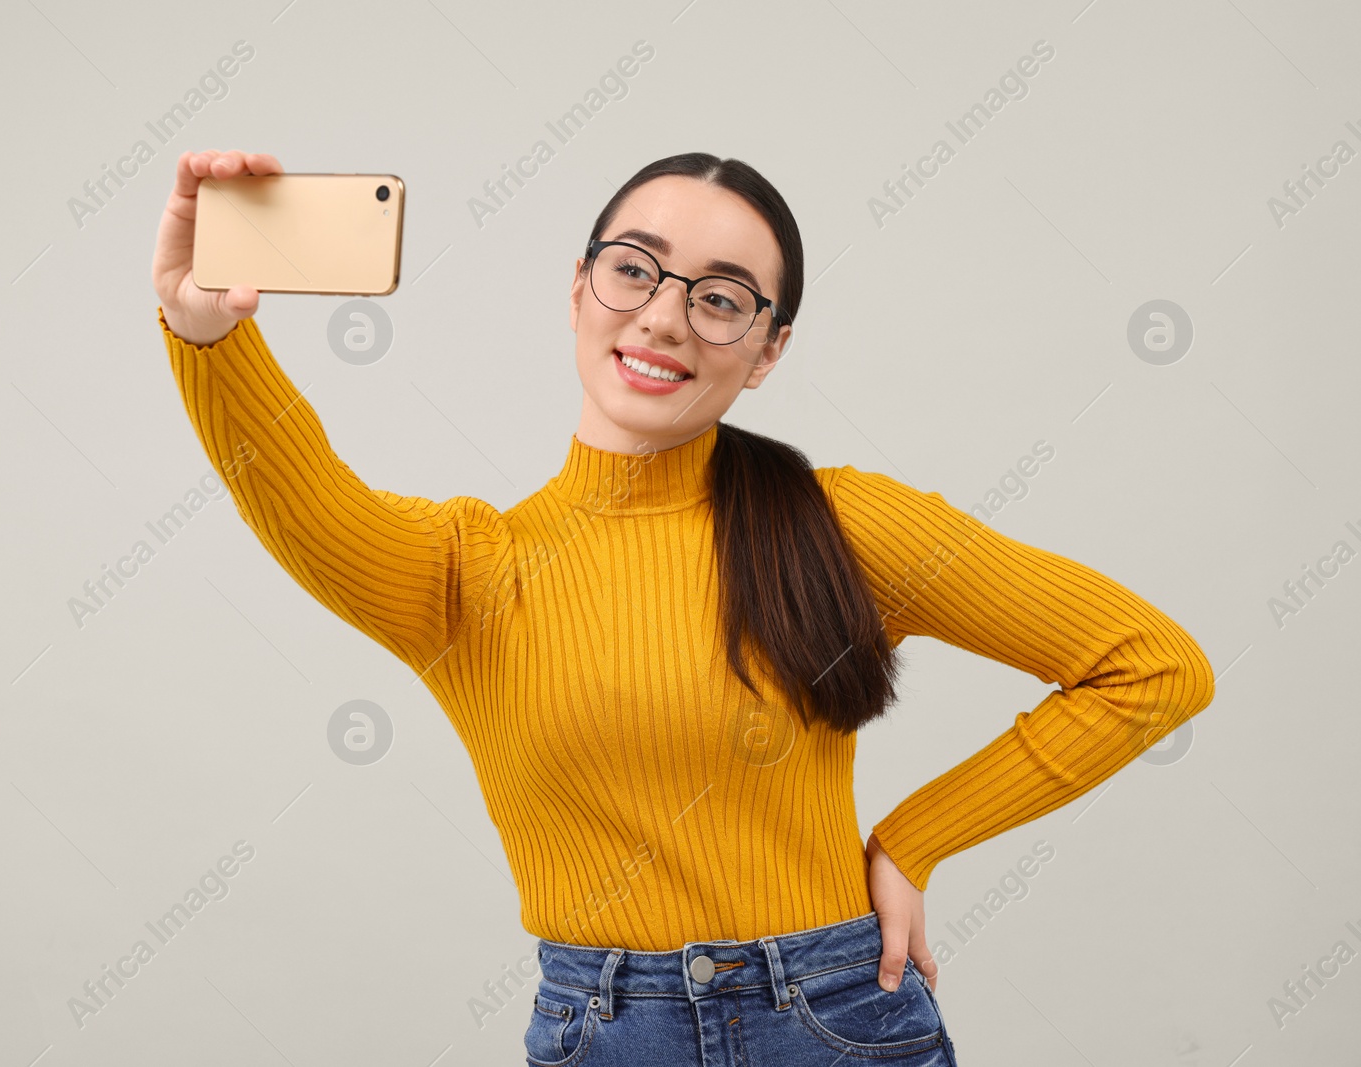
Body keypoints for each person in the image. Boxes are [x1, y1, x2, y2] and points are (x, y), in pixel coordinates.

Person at [152, 148, 1215, 1066]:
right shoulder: (463, 571)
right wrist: (205, 334)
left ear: (768, 350)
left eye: (719, 295)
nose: (664, 313)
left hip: (836, 1018)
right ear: (579, 289)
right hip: (606, 1029)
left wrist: (911, 840)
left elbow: (1151, 664)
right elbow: (291, 487)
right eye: (634, 270)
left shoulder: (840, 523)